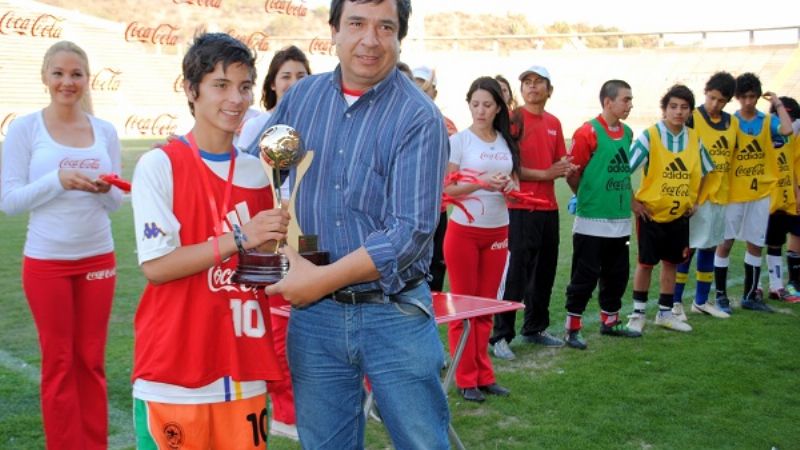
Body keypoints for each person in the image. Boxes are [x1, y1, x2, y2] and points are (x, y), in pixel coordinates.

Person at [262, 0, 451, 447]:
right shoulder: (301, 100)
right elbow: (262, 170)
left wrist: (319, 280)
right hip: (317, 321)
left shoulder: (419, 117)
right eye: (357, 24)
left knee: (422, 442)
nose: (370, 39)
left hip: (394, 314)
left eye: (385, 26)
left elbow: (409, 232)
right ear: (334, 30)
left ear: (399, 36)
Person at [130, 33, 289, 449]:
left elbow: (269, 270)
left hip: (244, 373)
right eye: (220, 85)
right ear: (190, 89)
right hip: (174, 375)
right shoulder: (159, 164)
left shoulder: (261, 173)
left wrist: (281, 246)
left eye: (244, 86)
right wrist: (241, 236)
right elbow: (157, 267)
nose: (235, 99)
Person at [0, 41, 123, 450]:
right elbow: (9, 201)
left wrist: (105, 188)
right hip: (47, 262)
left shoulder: (104, 130)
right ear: (44, 77)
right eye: (59, 73)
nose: (67, 82)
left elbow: (115, 203)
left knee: (91, 361)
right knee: (58, 362)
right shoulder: (25, 129)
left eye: (76, 74)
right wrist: (59, 180)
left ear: (87, 79)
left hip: (98, 258)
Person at [489, 64, 573, 360]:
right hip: (520, 208)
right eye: (527, 82)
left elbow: (556, 163)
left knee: (544, 271)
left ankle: (535, 327)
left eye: (539, 82)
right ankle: (501, 335)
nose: (532, 86)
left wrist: (564, 168)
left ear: (549, 90)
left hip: (548, 209)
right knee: (515, 273)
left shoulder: (554, 122)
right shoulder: (514, 119)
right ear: (521, 89)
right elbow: (508, 166)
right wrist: (548, 172)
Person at [443, 76, 517, 401]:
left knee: (486, 307)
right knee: (463, 306)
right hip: (463, 232)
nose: (481, 110)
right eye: (475, 104)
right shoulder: (459, 141)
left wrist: (510, 187)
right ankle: (465, 378)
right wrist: (481, 183)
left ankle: (484, 374)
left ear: (498, 107)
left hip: (498, 230)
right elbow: (447, 188)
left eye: (487, 105)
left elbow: (513, 184)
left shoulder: (505, 141)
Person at [626, 84, 714, 334]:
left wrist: (696, 200)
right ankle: (638, 313)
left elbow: (707, 170)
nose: (678, 112)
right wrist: (634, 203)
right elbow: (624, 170)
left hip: (679, 215)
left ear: (690, 112)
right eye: (673, 107)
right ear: (664, 109)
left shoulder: (694, 139)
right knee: (645, 263)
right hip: (651, 214)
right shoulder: (650, 136)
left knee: (671, 264)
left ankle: (665, 313)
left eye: (684, 107)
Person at [562, 79, 642, 350]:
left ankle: (610, 322)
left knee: (617, 273)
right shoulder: (588, 132)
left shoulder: (629, 132)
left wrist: (631, 204)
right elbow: (572, 174)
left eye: (630, 100)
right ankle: (572, 327)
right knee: (584, 275)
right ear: (608, 102)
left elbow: (623, 175)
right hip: (591, 222)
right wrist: (583, 196)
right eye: (626, 99)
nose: (630, 105)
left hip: (620, 222)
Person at [712, 72, 794, 313]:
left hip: (760, 194)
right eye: (744, 97)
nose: (749, 101)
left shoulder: (767, 122)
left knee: (755, 243)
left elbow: (788, 131)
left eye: (753, 96)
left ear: (758, 97)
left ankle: (750, 296)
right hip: (734, 193)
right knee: (724, 243)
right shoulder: (731, 122)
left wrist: (777, 104)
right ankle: (720, 295)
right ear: (737, 98)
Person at [671, 72, 738, 319]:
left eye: (720, 100)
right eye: (711, 98)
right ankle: (675, 302)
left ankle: (701, 301)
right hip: (695, 198)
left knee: (709, 247)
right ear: (705, 93)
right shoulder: (692, 118)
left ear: (728, 101)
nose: (714, 104)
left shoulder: (733, 124)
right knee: (687, 250)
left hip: (720, 196)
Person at [412, 64, 457, 293]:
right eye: (415, 86)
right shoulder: (403, 121)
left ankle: (432, 318)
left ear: (435, 94)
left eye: (426, 88)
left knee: (437, 265)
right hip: (410, 210)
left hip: (437, 211)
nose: (420, 92)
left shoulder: (447, 124)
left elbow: (453, 168)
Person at [761, 96, 800, 302]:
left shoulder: (792, 136)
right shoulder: (765, 129)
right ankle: (756, 286)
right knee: (757, 242)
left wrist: (796, 192)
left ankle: (777, 287)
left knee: (776, 242)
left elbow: (793, 166)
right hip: (766, 194)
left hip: (784, 196)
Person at [239, 45, 311, 153]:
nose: (295, 83)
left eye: (301, 76)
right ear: (273, 84)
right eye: (286, 77)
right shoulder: (256, 125)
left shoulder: (317, 125)